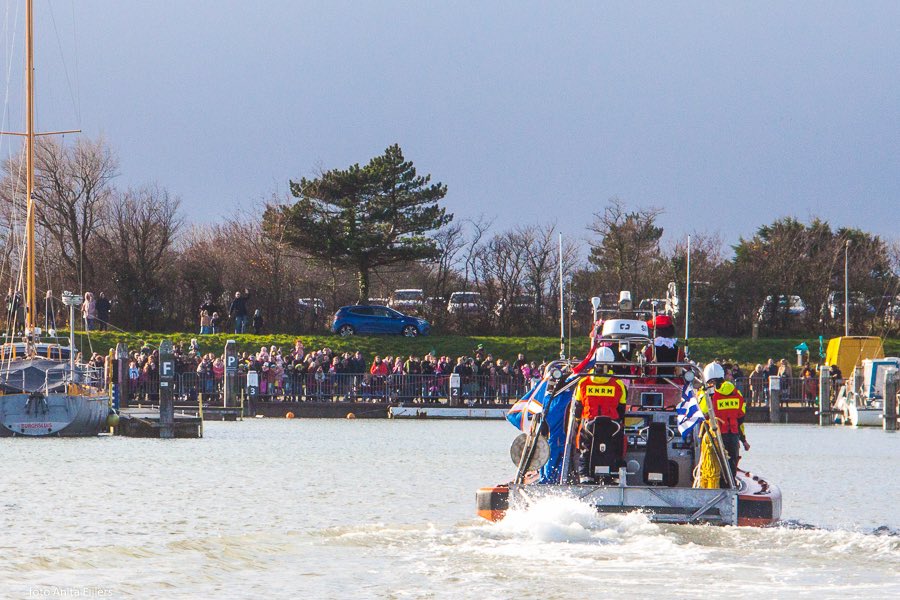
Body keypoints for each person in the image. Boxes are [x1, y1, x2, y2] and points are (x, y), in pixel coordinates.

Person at [573, 347, 627, 484]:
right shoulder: (618, 384)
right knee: (616, 449)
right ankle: (616, 475)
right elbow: (621, 410)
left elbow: (578, 408)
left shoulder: (583, 383)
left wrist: (578, 422)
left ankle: (584, 476)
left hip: (588, 426)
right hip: (612, 428)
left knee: (585, 450)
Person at [699, 361, 749, 478]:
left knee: (715, 466)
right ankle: (731, 487)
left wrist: (702, 392)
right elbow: (741, 417)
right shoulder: (736, 393)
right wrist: (743, 439)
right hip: (733, 435)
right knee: (731, 465)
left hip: (716, 436)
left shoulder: (708, 394)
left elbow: (702, 412)